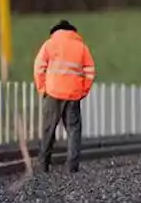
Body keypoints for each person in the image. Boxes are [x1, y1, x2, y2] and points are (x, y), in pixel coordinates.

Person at [33, 20, 96, 173]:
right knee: (74, 130)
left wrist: (42, 89)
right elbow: (90, 72)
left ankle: (43, 165)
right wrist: (83, 91)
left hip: (52, 93)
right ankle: (72, 166)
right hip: (73, 94)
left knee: (48, 129)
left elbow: (39, 68)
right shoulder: (81, 47)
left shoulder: (49, 44)